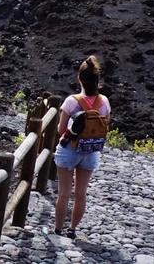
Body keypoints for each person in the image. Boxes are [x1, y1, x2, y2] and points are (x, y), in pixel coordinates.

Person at [53, 55, 111, 239]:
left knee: (63, 193)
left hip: (70, 149)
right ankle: (72, 230)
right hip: (91, 151)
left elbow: (61, 129)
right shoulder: (104, 102)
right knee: (81, 194)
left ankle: (58, 230)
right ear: (97, 80)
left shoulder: (72, 101)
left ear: (79, 78)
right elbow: (105, 126)